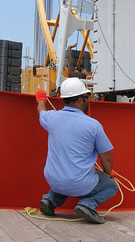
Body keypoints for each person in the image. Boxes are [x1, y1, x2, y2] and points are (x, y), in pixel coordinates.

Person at [36, 77, 118, 224]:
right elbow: (106, 158)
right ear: (80, 100)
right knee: (111, 186)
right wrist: (108, 173)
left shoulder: (51, 117)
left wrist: (41, 99)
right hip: (78, 184)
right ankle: (88, 205)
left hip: (53, 180)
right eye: (87, 96)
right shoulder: (93, 125)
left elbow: (41, 111)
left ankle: (50, 200)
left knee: (67, 178)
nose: (88, 100)